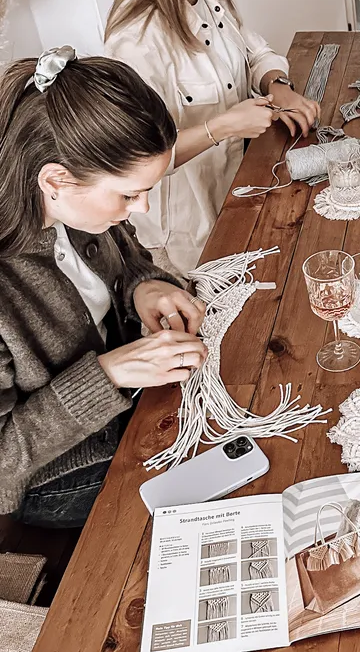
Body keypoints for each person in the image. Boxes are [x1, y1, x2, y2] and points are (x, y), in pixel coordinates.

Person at [0, 47, 208, 527]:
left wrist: (145, 288)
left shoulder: (76, 208)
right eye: (130, 194)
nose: (143, 209)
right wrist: (108, 374)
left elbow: (129, 260)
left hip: (132, 408)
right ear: (55, 179)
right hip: (57, 474)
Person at [105, 0, 320, 275]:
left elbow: (252, 49)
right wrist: (222, 126)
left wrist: (279, 87)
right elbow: (133, 163)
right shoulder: (136, 40)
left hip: (235, 191)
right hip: (186, 236)